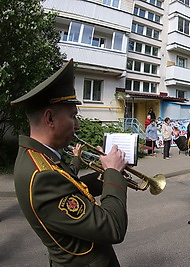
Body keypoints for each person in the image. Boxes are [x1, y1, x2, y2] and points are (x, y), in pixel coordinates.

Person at [11, 59, 128, 266]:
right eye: (74, 116)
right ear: (50, 119)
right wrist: (113, 174)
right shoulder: (42, 176)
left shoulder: (39, 157)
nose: (78, 126)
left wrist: (106, 174)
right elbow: (113, 227)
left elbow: (71, 188)